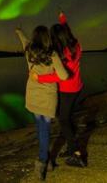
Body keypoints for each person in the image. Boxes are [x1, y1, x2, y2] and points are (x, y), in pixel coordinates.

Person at [30, 12, 86, 167]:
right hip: (78, 88)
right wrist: (63, 20)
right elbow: (69, 32)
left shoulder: (62, 54)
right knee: (67, 118)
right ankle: (71, 146)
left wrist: (39, 79)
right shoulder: (76, 45)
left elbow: (59, 76)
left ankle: (76, 153)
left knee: (63, 120)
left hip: (67, 91)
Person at [15, 25, 68, 181]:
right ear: (47, 38)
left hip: (33, 96)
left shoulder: (29, 52)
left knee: (40, 129)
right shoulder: (52, 55)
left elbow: (24, 41)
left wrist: (19, 32)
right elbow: (64, 76)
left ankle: (46, 162)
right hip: (47, 98)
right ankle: (43, 163)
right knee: (44, 131)